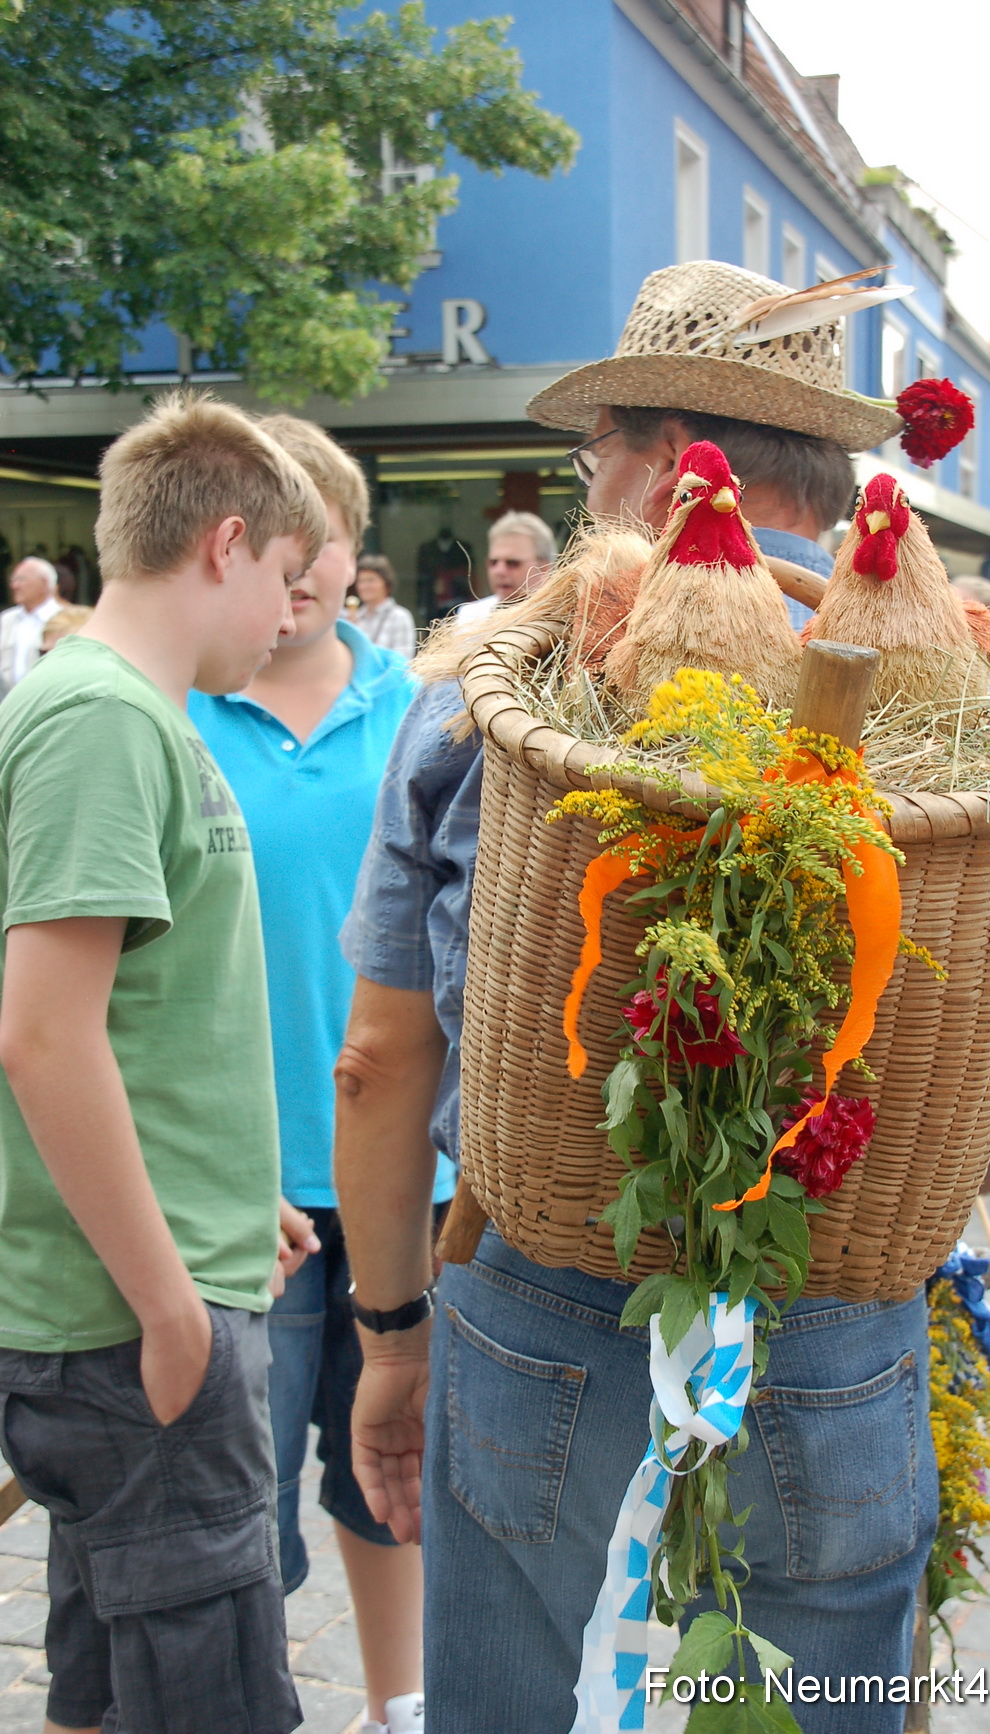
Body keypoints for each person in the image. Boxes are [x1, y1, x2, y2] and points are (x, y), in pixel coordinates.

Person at [334, 263, 990, 1734]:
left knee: (507, 1690)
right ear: (822, 476)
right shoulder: (988, 707)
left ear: (658, 462)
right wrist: (884, 1177)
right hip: (832, 1306)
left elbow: (381, 1062)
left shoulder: (483, 693)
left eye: (593, 463)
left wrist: (390, 1341)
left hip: (536, 1290)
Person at [0, 392, 327, 1734]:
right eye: (289, 581)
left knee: (100, 1694)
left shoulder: (133, 711)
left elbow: (139, 1019)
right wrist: (175, 1301)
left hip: (146, 1299)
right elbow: (41, 1032)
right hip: (132, 1326)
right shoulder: (103, 718)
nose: (293, 616)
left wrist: (228, 1197)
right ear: (227, 544)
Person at [189, 415, 427, 1734]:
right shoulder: (179, 703)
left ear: (347, 549)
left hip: (402, 1173)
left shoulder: (425, 712)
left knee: (391, 1481)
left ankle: (400, 1702)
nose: (297, 572)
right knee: (237, 1497)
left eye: (318, 541)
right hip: (243, 1180)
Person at [455, 510, 556, 624]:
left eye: (513, 563)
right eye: (493, 562)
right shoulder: (470, 617)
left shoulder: (563, 619)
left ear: (544, 568)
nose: (499, 571)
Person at [0, 557, 63, 696]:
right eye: (13, 580)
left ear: (44, 584)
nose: (14, 586)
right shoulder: (7, 619)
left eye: (21, 580)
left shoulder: (62, 620)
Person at [350, 554, 417, 659]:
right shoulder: (354, 617)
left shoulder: (399, 617)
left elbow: (402, 661)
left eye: (370, 580)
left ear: (386, 584)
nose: (364, 586)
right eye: (361, 581)